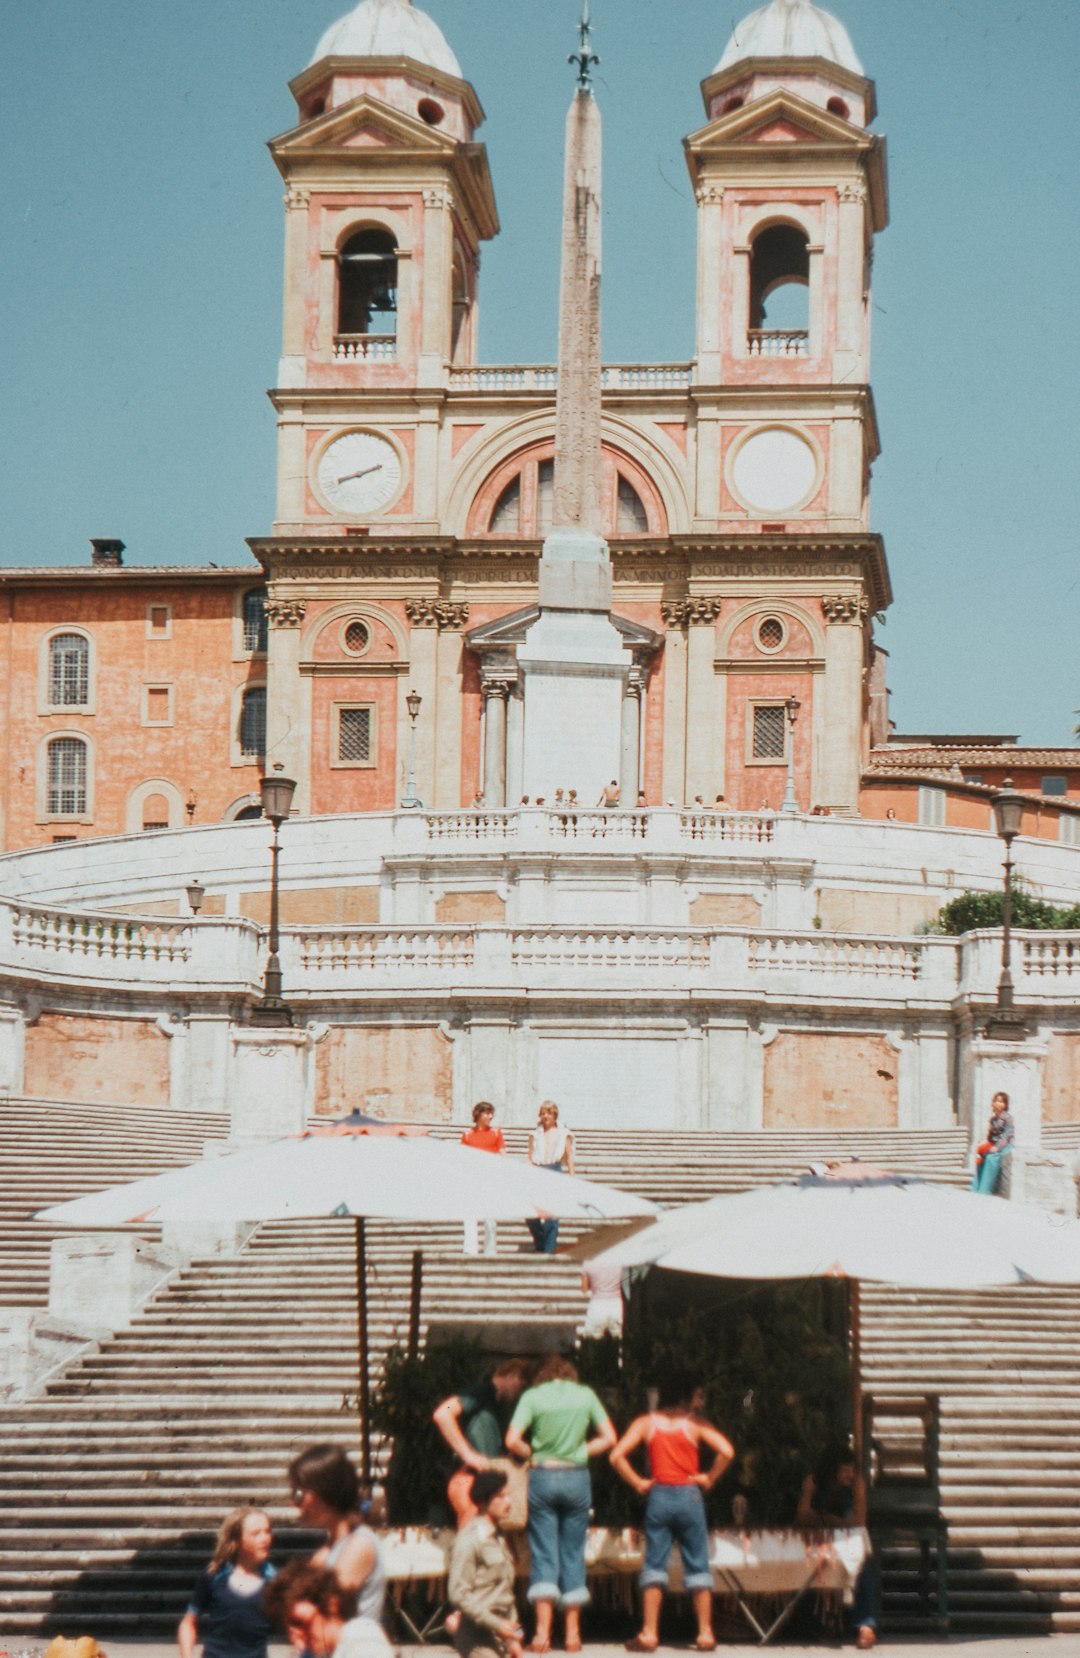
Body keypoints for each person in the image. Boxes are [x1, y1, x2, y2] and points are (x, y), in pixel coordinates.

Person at [609, 1373, 734, 1653]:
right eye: (697, 1396)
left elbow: (616, 1455)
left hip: (660, 1495)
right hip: (689, 1495)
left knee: (654, 1565)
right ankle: (705, 1632)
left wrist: (639, 1482)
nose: (700, 1402)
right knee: (698, 1563)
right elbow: (727, 1450)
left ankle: (650, 1632)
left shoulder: (646, 1423)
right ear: (685, 1396)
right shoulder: (696, 1424)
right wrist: (709, 1478)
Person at [505, 1353, 616, 1653]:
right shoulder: (585, 1395)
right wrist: (581, 1452)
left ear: (542, 1375)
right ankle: (572, 1635)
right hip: (577, 1477)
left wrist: (533, 1453)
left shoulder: (532, 1396)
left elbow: (511, 1439)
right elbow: (609, 1437)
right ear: (570, 1374)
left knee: (543, 1554)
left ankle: (542, 1634)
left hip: (543, 1476)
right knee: (573, 1553)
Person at [288, 1444, 386, 1615]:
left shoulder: (360, 1544)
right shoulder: (331, 1547)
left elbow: (328, 1607)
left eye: (299, 1494)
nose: (294, 1502)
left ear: (324, 1492)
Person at [434, 1359, 532, 1529]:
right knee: (471, 1539)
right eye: (522, 1386)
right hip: (468, 1477)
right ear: (513, 1375)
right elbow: (443, 1414)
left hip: (488, 1482)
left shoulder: (501, 1405)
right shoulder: (481, 1392)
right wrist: (468, 1455)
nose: (520, 1393)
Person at [796, 1448, 875, 1650]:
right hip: (821, 1541)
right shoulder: (813, 1482)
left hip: (848, 1539)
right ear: (832, 1470)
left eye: (852, 1469)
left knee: (863, 1562)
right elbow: (803, 1516)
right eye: (845, 1470)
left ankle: (865, 1625)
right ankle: (821, 1622)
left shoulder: (857, 1483)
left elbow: (859, 1521)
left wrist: (831, 1520)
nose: (850, 1474)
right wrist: (829, 1520)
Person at [178, 1507, 276, 1658]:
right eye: (256, 1533)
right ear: (236, 1540)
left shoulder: (276, 1580)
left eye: (267, 1531)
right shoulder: (213, 1576)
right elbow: (188, 1623)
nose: (265, 1538)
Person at [447, 1469, 524, 1658]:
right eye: (501, 1496)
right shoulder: (469, 1540)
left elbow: (505, 1593)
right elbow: (458, 1593)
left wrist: (515, 1637)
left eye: (509, 1496)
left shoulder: (499, 1537)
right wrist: (498, 1625)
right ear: (483, 1501)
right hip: (478, 1638)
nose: (509, 1502)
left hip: (503, 1635)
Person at [262, 1561, 391, 1658]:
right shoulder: (333, 1650)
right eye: (290, 1631)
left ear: (331, 1604)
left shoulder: (361, 1639)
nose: (297, 1637)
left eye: (300, 1622)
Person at [526, 1102, 574, 1254]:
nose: (545, 1116)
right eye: (543, 1113)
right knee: (531, 1213)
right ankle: (541, 1244)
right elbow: (530, 1155)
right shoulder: (535, 1134)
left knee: (552, 1214)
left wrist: (571, 1175)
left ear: (554, 1115)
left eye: (549, 1113)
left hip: (554, 1169)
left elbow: (568, 1154)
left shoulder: (563, 1133)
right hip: (538, 1170)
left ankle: (549, 1249)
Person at [460, 1100, 507, 1257]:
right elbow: (463, 1157)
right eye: (487, 1113)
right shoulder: (467, 1134)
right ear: (478, 1114)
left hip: (491, 1177)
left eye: (491, 1113)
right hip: (472, 1177)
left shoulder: (496, 1132)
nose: (490, 1116)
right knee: (469, 1214)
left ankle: (490, 1249)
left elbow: (502, 1154)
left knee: (490, 1214)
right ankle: (470, 1248)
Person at [971, 1090, 1015, 1195]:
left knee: (992, 1158)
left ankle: (985, 1190)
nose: (999, 1104)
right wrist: (984, 1147)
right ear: (993, 1103)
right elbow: (990, 1137)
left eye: (1001, 1102)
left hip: (1006, 1145)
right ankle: (976, 1188)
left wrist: (997, 1147)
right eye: (997, 1101)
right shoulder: (993, 1119)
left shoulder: (1007, 1118)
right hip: (994, 1144)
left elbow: (1007, 1134)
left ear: (1005, 1105)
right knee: (980, 1158)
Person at [579, 1255, 624, 1341]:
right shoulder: (619, 1260)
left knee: (593, 1338)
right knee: (617, 1337)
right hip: (616, 1303)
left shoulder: (588, 1262)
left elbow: (584, 1289)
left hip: (597, 1304)